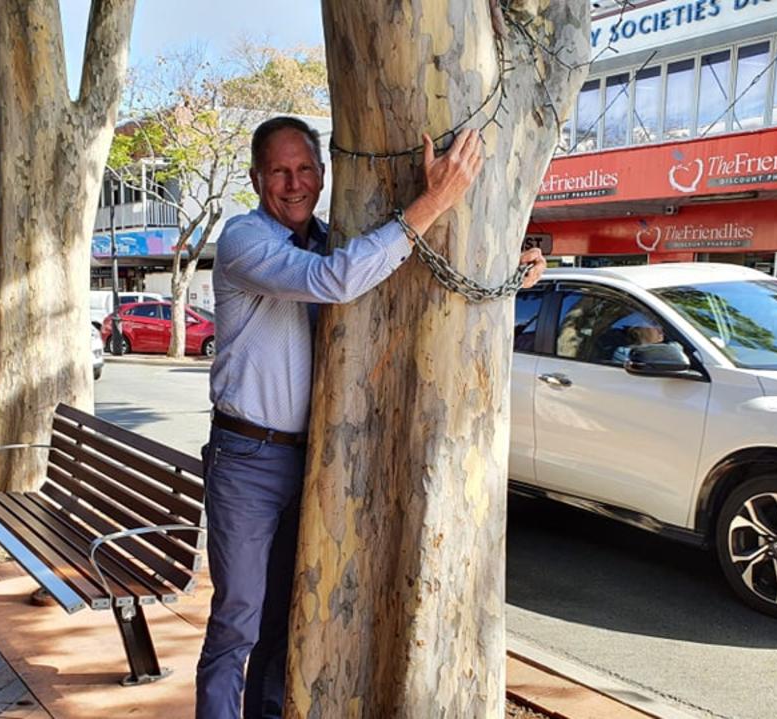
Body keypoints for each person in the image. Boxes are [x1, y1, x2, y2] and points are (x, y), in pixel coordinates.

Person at [197, 116, 546, 719]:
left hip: (314, 458)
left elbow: (390, 273)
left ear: (322, 173)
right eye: (279, 170)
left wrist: (499, 269)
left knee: (286, 623)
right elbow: (335, 280)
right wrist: (434, 198)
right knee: (238, 625)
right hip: (247, 461)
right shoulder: (243, 242)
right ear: (257, 179)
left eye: (304, 168)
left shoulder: (334, 238)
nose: (293, 182)